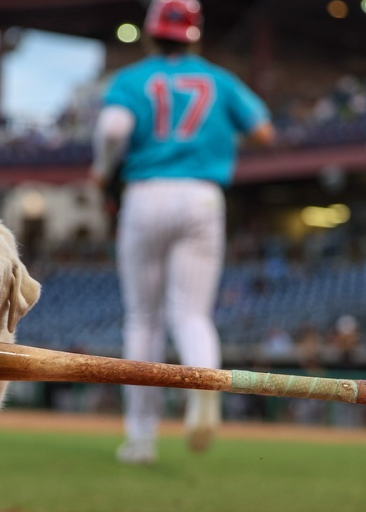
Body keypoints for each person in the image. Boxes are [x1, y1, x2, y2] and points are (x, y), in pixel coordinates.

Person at [89, 0, 275, 464]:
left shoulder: (131, 80)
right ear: (196, 35)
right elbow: (265, 133)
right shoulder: (218, 79)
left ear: (152, 34)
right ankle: (203, 385)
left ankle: (141, 436)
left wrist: (103, 168)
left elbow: (113, 128)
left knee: (143, 320)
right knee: (192, 314)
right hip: (202, 194)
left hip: (145, 193)